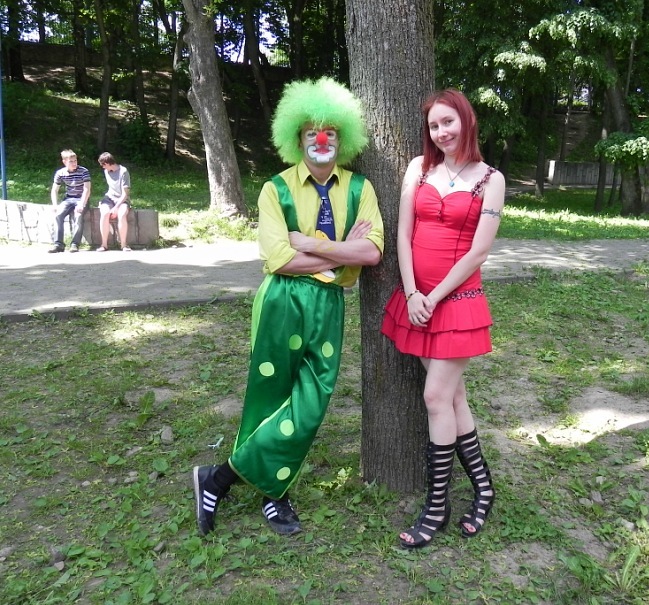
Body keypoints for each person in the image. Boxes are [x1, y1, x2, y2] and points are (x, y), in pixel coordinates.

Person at [193, 77, 384, 537]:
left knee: (313, 399)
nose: (321, 140)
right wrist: (341, 251)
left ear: (343, 139)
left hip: (329, 304)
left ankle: (217, 479)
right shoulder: (274, 189)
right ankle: (275, 495)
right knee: (270, 396)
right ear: (296, 139)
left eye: (330, 133)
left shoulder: (361, 189)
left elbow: (372, 252)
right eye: (311, 133)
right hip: (281, 299)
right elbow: (279, 259)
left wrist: (310, 244)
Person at [381, 89, 505, 548]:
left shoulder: (491, 179)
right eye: (434, 125)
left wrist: (432, 297)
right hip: (416, 301)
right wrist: (413, 292)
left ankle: (437, 506)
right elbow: (403, 232)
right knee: (453, 399)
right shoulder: (419, 168)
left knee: (435, 397)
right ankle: (484, 489)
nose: (441, 132)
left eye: (448, 122)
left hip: (457, 303)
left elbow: (479, 251)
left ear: (466, 121)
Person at [49, 149, 91, 253]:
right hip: (68, 198)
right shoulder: (60, 173)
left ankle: (75, 244)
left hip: (81, 198)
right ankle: (58, 244)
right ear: (64, 162)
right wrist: (55, 205)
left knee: (78, 216)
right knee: (58, 215)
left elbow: (87, 189)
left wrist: (82, 204)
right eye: (71, 161)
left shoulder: (83, 171)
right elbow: (54, 190)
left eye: (75, 161)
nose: (74, 163)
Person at [96, 152, 132, 252]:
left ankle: (124, 245)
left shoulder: (123, 172)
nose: (103, 167)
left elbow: (125, 194)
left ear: (107, 163)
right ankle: (104, 245)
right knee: (104, 213)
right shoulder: (106, 171)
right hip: (109, 198)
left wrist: (116, 207)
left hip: (122, 199)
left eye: (103, 165)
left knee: (122, 214)